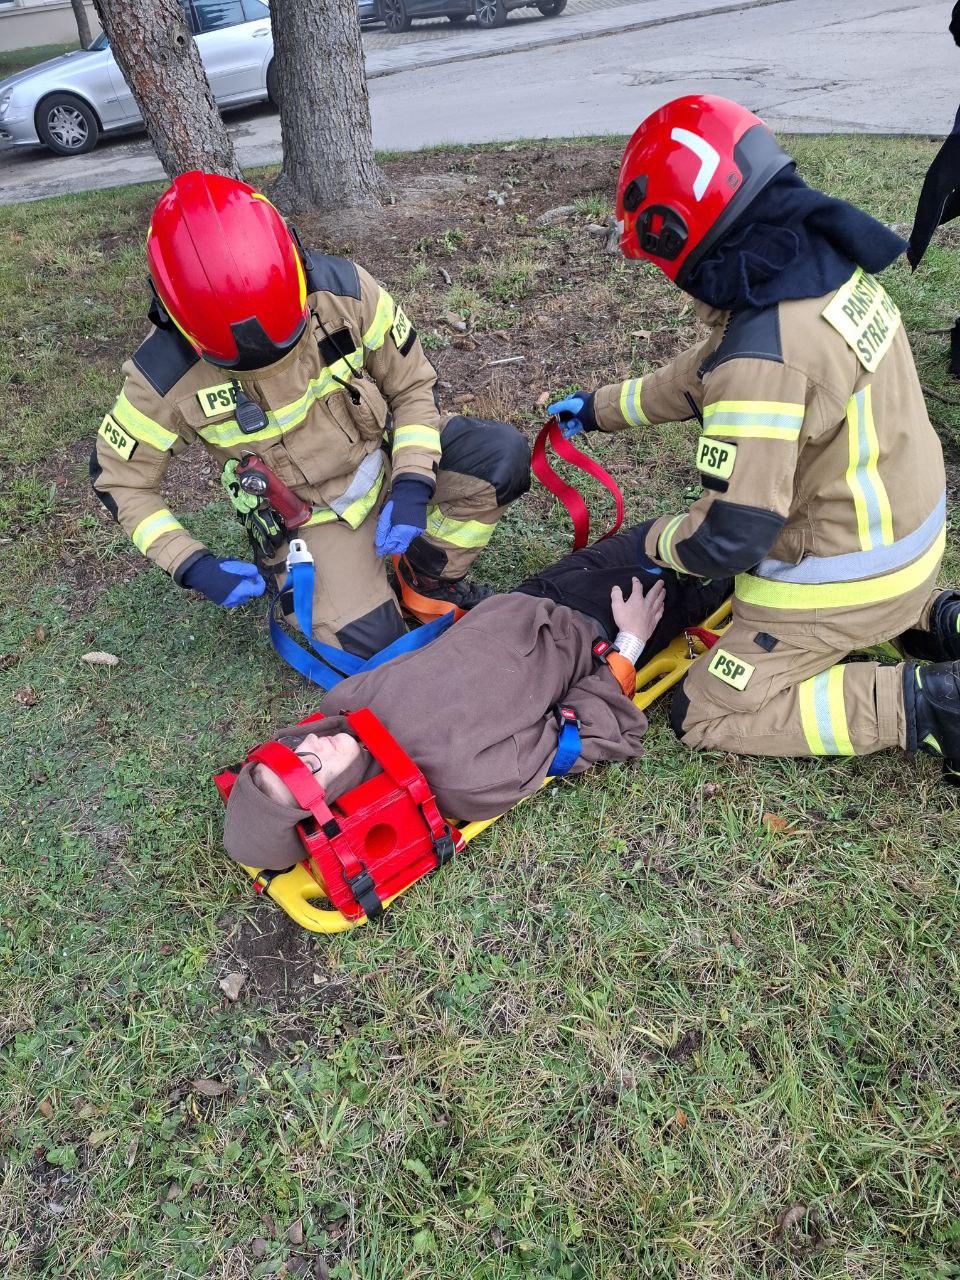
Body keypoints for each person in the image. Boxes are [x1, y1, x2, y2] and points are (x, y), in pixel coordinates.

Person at [547, 95, 960, 779]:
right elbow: (705, 373)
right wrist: (599, 409)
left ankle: (925, 706)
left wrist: (652, 545)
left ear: (676, 233)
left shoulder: (760, 360)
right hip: (909, 538)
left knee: (706, 710)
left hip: (843, 577)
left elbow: (729, 540)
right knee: (883, 604)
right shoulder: (810, 266)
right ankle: (934, 622)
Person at [89, 171, 531, 659]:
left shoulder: (345, 292)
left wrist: (412, 483)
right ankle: (325, 576)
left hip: (385, 463)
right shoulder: (162, 376)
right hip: (306, 518)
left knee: (498, 458)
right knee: (374, 648)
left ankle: (428, 575)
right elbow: (120, 479)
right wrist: (190, 563)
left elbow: (412, 386)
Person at [222, 526, 731, 869]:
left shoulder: (346, 706)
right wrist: (631, 642)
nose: (315, 744)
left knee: (678, 529)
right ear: (332, 804)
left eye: (295, 750)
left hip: (537, 592)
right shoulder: (463, 781)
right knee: (725, 548)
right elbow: (582, 733)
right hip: (600, 625)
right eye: (312, 769)